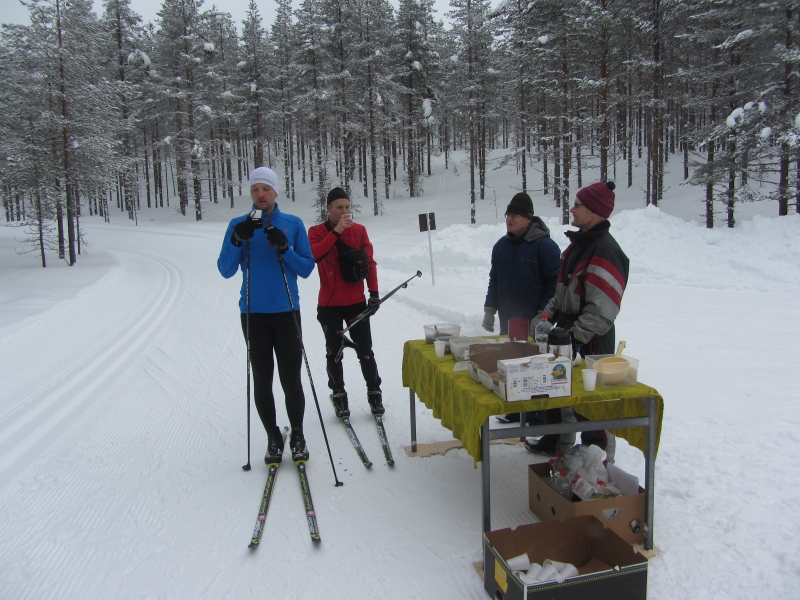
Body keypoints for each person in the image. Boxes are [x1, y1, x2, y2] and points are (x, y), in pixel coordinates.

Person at [217, 167, 315, 463]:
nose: (260, 194)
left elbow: (306, 269)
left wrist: (284, 248)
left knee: (291, 379)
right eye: (255, 189)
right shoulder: (238, 225)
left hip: (287, 312)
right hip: (253, 314)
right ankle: (273, 436)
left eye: (266, 189)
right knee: (262, 378)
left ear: (275, 191)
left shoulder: (292, 224)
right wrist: (237, 239)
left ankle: (297, 434)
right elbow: (225, 270)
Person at [524, 181, 629, 457]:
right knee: (557, 389)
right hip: (567, 331)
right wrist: (545, 317)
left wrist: (575, 338)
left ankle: (599, 458)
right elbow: (562, 292)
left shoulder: (605, 250)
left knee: (590, 402)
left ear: (594, 211)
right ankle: (556, 441)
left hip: (591, 339)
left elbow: (602, 310)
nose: (572, 209)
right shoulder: (577, 246)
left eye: (578, 205)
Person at [483, 192, 560, 425]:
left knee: (534, 368)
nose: (509, 219)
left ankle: (536, 416)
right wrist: (490, 309)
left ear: (528, 218)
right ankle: (514, 409)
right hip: (508, 320)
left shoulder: (546, 247)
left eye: (515, 215)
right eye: (508, 214)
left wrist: (542, 318)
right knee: (509, 365)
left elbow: (554, 287)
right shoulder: (501, 247)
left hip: (536, 322)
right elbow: (494, 280)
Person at [308, 187, 383, 419]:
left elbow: (370, 262)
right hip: (329, 304)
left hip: (356, 302)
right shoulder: (316, 232)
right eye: (339, 207)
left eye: (347, 207)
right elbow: (315, 255)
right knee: (334, 352)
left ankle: (374, 392)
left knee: (365, 350)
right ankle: (339, 394)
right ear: (328, 208)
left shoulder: (359, 231)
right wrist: (337, 231)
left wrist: (374, 293)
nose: (344, 211)